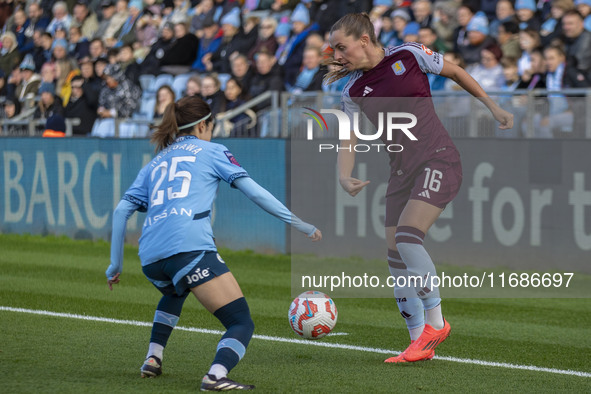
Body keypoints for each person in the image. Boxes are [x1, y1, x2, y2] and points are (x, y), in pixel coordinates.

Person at [326, 13, 513, 363]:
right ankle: (417, 344)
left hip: (438, 158)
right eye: (334, 48)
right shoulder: (352, 89)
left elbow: (455, 72)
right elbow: (347, 136)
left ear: (364, 40)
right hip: (401, 171)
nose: (337, 55)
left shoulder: (409, 54)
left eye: (342, 47)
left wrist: (493, 106)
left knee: (409, 238)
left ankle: (437, 324)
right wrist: (344, 175)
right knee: (396, 257)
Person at [105, 95, 321, 391]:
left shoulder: (155, 162)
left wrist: (114, 265)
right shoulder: (211, 150)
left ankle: (153, 358)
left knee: (175, 291)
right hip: (189, 249)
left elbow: (120, 212)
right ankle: (215, 375)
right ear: (204, 124)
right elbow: (256, 194)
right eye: (212, 125)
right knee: (241, 322)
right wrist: (302, 225)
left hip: (150, 257)